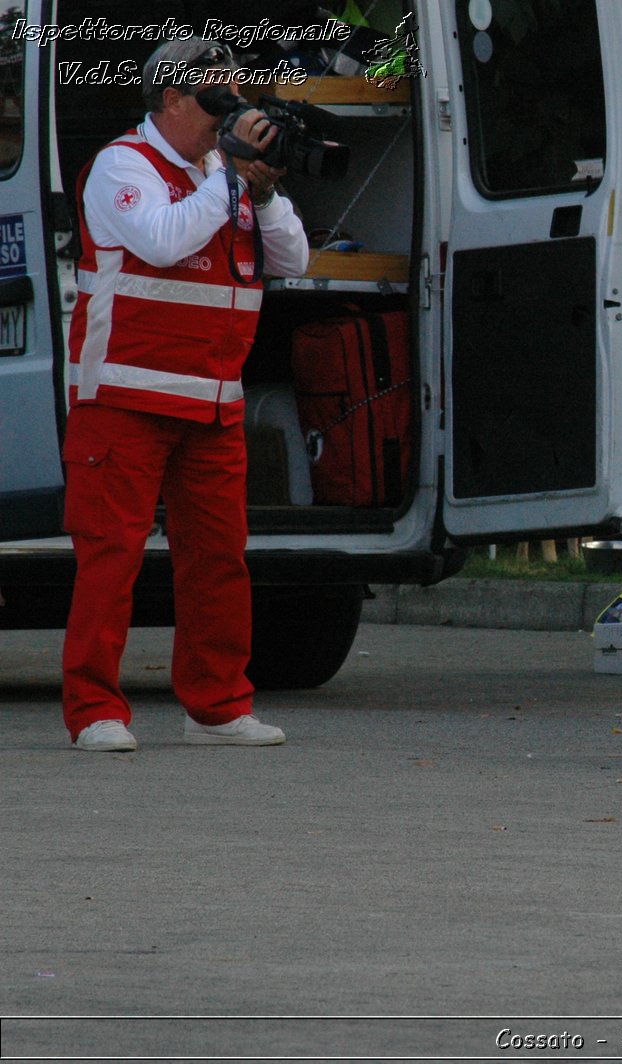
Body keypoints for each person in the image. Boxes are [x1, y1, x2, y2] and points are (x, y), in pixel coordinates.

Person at [61, 39, 309, 751]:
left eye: (237, 95)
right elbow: (164, 243)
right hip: (125, 400)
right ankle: (95, 711)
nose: (228, 112)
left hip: (211, 404)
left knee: (220, 560)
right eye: (214, 98)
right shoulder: (122, 165)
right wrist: (228, 176)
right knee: (110, 558)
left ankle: (222, 703)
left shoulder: (219, 177)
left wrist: (259, 191)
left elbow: (292, 258)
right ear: (169, 100)